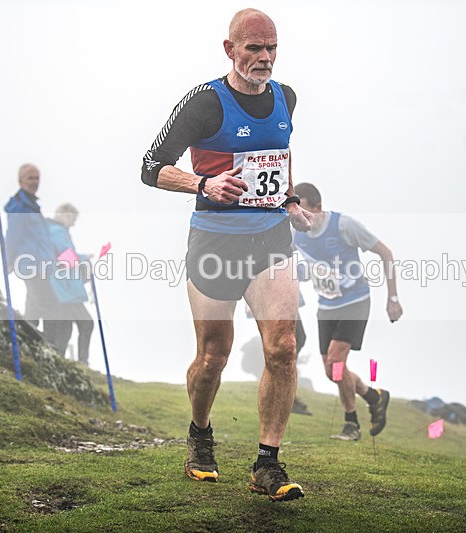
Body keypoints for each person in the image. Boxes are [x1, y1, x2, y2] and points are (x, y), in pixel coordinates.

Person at [141, 9, 314, 501]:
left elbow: (277, 154)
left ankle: (268, 464)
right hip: (215, 241)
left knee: (282, 347)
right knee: (213, 356)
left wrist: (290, 199)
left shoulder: (287, 97)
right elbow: (150, 166)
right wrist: (203, 183)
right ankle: (200, 434)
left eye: (271, 48)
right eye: (253, 48)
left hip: (271, 239)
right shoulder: (205, 102)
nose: (264, 58)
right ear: (229, 49)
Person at [293, 182, 403, 441]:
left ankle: (351, 424)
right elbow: (305, 270)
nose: (300, 218)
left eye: (305, 212)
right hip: (326, 306)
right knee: (332, 372)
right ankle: (373, 396)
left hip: (355, 302)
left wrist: (393, 298)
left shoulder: (343, 225)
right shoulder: (296, 232)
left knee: (336, 363)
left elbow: (385, 253)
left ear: (318, 208)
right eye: (295, 213)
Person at [4, 163, 57, 330]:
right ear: (20, 181)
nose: (34, 182)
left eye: (37, 178)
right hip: (31, 264)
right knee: (49, 305)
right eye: (30, 178)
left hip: (43, 263)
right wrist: (8, 260)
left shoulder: (33, 206)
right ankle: (51, 345)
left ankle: (28, 337)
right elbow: (13, 235)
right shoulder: (20, 206)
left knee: (34, 305)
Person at [43, 203, 93, 366]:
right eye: (73, 219)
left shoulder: (56, 231)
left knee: (66, 326)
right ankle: (82, 361)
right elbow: (66, 258)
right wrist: (84, 258)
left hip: (63, 287)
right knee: (86, 323)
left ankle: (60, 361)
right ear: (66, 216)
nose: (74, 223)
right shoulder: (58, 232)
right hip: (66, 288)